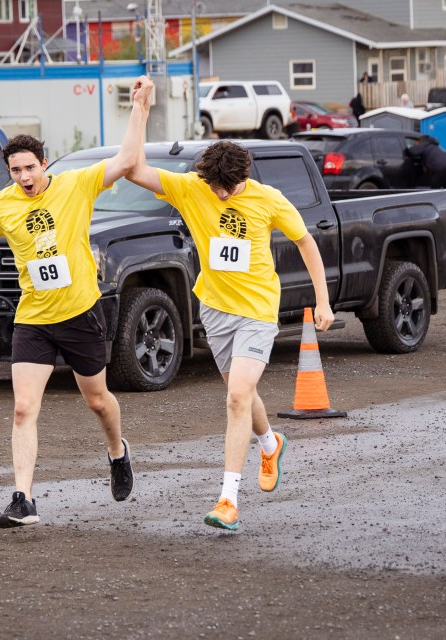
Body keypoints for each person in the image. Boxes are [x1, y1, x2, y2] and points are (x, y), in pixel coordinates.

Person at [0, 76, 155, 528]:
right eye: (15, 171)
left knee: (97, 401)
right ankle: (23, 499)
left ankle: (117, 452)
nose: (23, 178)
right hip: (34, 318)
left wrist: (140, 107)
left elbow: (125, 161)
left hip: (81, 313)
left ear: (44, 163)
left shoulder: (76, 185)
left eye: (29, 168)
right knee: (24, 408)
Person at [125, 140, 334, 531]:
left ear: (244, 176)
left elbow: (305, 241)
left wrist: (322, 301)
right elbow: (135, 170)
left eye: (229, 187)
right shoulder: (191, 188)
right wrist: (140, 112)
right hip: (216, 311)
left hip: (257, 311)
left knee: (237, 396)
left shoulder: (268, 199)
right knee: (242, 393)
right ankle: (270, 444)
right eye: (215, 186)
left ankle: (228, 500)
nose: (221, 194)